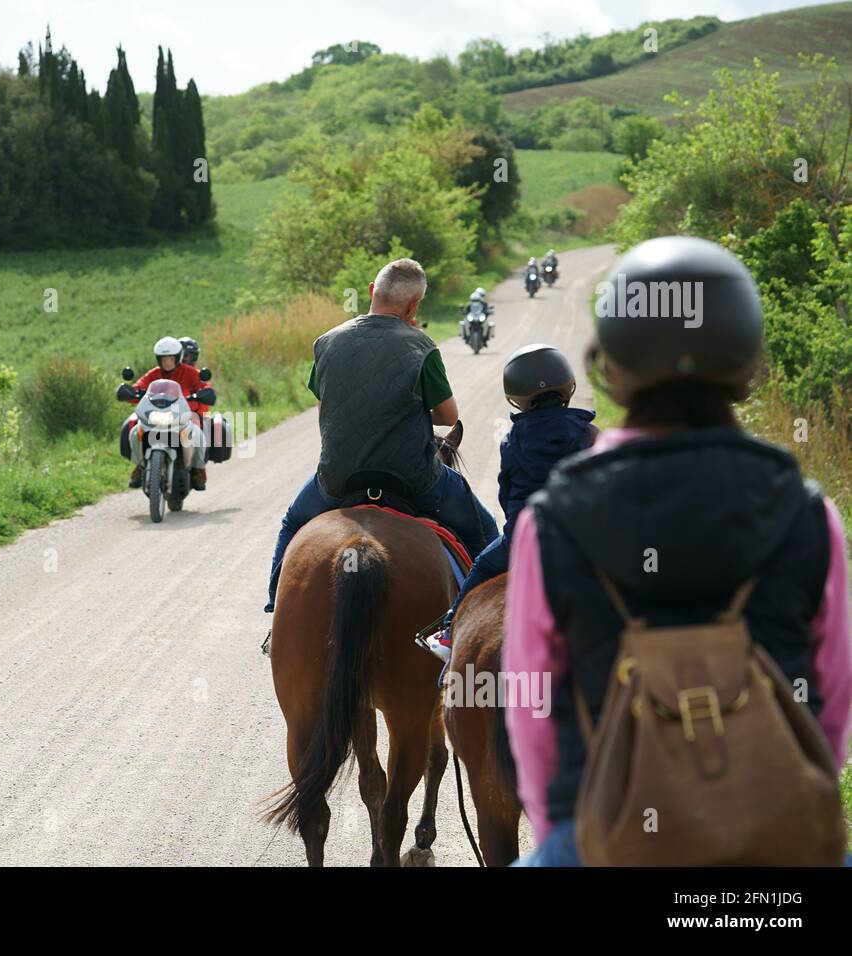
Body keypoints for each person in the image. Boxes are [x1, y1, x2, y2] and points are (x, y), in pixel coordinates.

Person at [504, 236, 852, 866]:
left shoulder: (549, 522)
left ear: (611, 366)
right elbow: (833, 694)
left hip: (604, 829)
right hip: (778, 826)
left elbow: (530, 701)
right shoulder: (808, 511)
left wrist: (561, 832)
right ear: (746, 363)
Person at [263, 258, 497, 619]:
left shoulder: (326, 343)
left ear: (372, 291)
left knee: (292, 522)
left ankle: (274, 606)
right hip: (415, 479)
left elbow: (328, 405)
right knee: (482, 527)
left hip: (339, 478)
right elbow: (448, 417)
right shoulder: (422, 346)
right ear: (413, 306)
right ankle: (487, 610)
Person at [424, 344, 595, 663]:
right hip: (582, 540)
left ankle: (449, 630)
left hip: (525, 540)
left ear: (517, 397)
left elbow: (506, 494)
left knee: (481, 566)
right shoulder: (590, 433)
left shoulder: (512, 441)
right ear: (568, 385)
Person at [119, 336, 210, 491]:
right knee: (135, 431)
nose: (167, 362)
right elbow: (140, 386)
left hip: (184, 415)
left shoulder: (190, 373)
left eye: (170, 358)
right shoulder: (154, 374)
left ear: (177, 357)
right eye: (163, 359)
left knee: (197, 433)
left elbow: (204, 387)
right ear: (158, 359)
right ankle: (140, 466)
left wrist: (204, 394)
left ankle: (198, 469)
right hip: (158, 414)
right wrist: (131, 392)